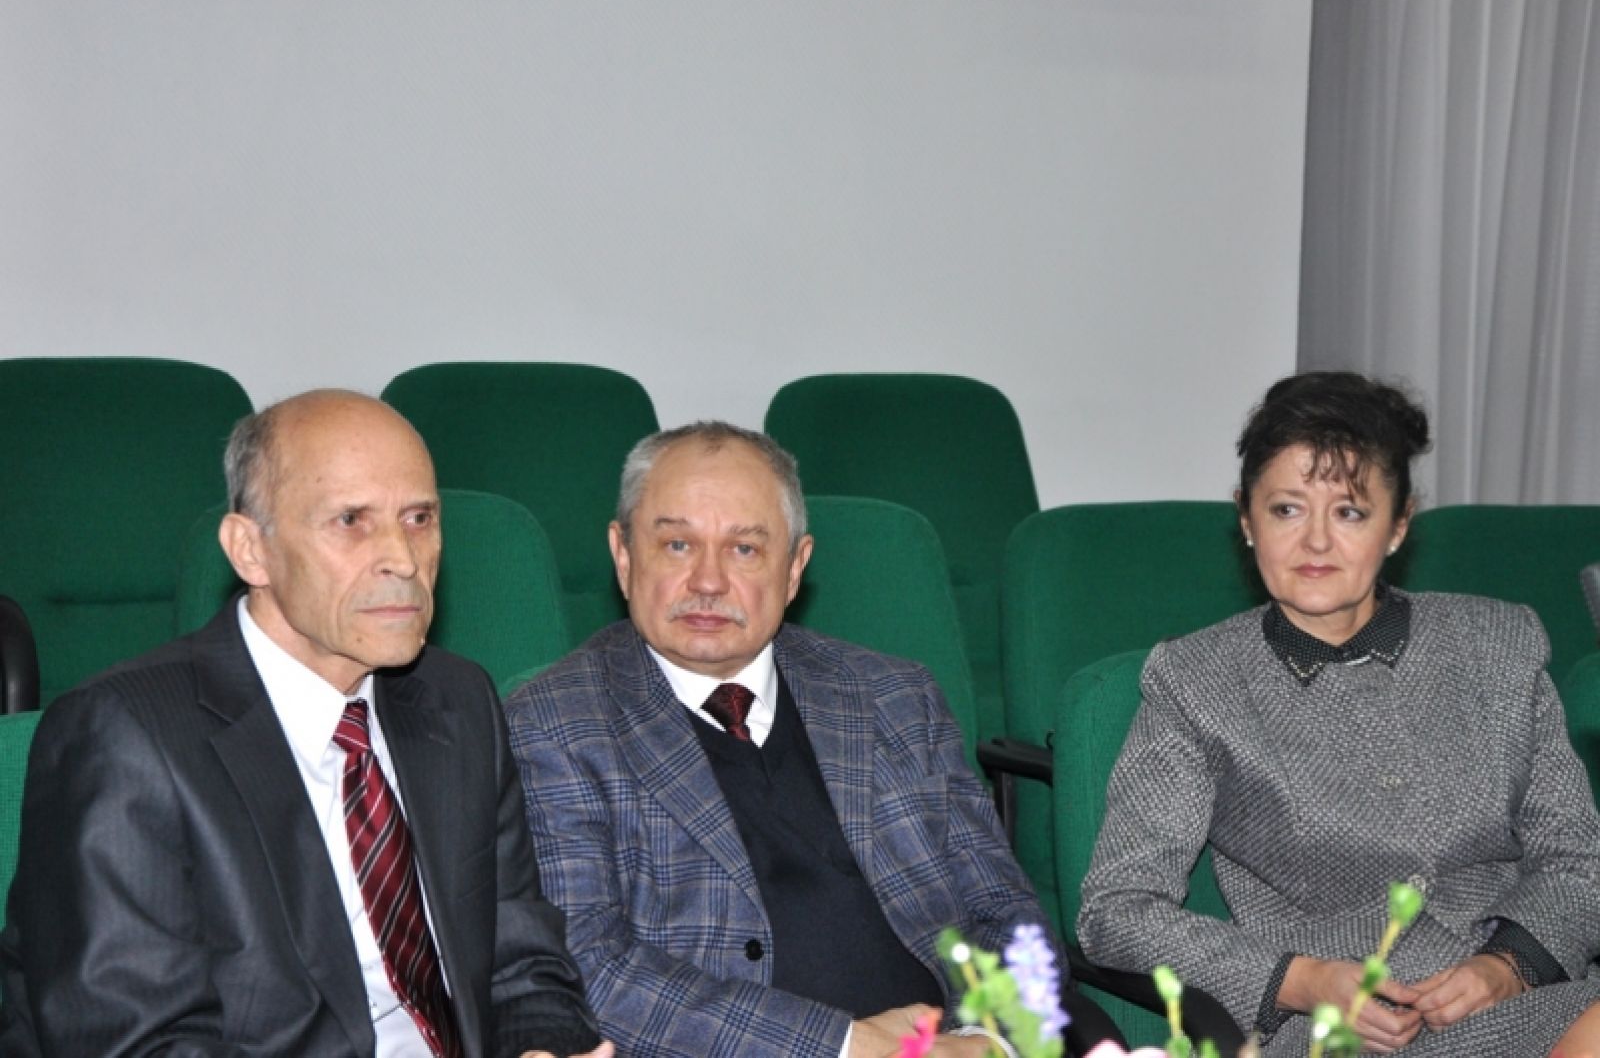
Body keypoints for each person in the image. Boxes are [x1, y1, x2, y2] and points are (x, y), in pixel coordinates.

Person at [0, 390, 610, 1058]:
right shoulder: (124, 736)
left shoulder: (458, 701)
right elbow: (137, 1042)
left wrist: (540, 1046)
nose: (403, 559)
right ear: (250, 551)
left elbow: (522, 964)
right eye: (350, 520)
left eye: (419, 518)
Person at [1077, 371, 1600, 1056]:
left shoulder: (1498, 644)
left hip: (1529, 999)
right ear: (1246, 519)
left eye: (1350, 512)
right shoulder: (1196, 682)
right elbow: (1116, 910)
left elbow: (1578, 858)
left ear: (1399, 523)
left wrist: (1508, 966)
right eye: (1287, 510)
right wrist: (1300, 980)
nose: (1317, 542)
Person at [504, 421, 1060, 1058]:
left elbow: (1007, 914)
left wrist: (985, 1039)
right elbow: (590, 967)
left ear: (795, 568)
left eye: (744, 549)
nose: (708, 581)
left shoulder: (897, 697)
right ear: (624, 556)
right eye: (678, 545)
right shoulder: (554, 723)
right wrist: (848, 1046)